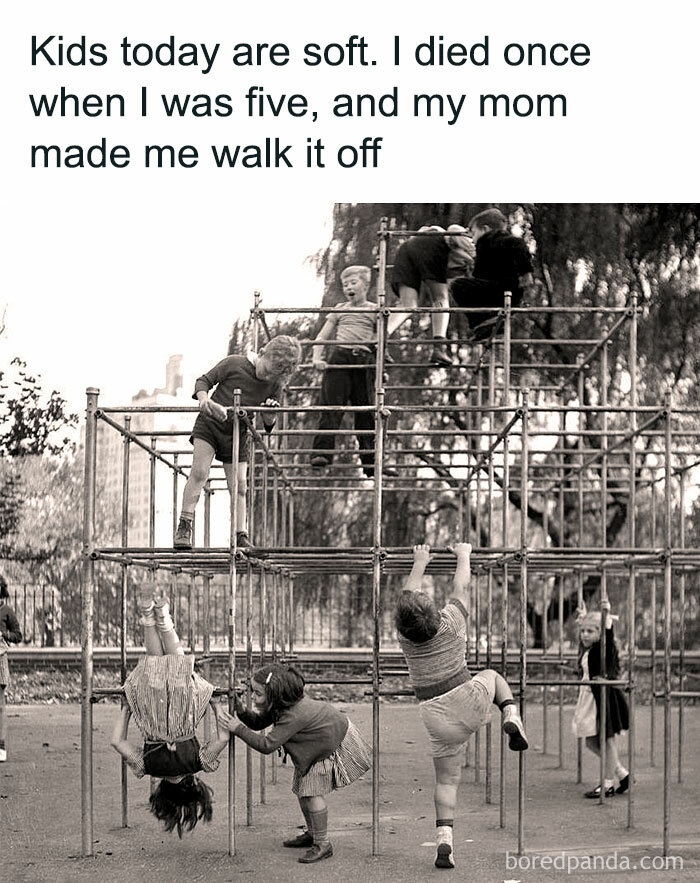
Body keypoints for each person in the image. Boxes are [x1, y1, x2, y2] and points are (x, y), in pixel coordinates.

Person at [395, 543, 528, 870]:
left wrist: (419, 562)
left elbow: (407, 597)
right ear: (435, 612)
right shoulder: (452, 622)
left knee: (446, 782)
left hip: (435, 715)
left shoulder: (405, 639)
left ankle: (445, 839)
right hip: (468, 699)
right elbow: (461, 586)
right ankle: (510, 713)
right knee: (493, 676)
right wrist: (464, 555)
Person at [218, 662, 371, 864]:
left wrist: (238, 728)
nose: (252, 697)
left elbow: (266, 745)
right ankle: (313, 834)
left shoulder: (293, 715)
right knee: (303, 792)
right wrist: (240, 708)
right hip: (319, 743)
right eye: (251, 692)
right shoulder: (282, 705)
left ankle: (323, 844)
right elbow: (257, 723)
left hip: (328, 745)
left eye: (257, 693)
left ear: (275, 695)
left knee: (312, 793)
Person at [110, 584, 230, 837]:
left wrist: (216, 705)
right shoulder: (146, 767)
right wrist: (127, 709)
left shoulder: (200, 762)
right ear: (161, 792)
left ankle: (163, 617)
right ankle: (148, 614)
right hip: (152, 706)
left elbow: (223, 737)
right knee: (154, 660)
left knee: (175, 660)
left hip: (181, 705)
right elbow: (116, 742)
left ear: (194, 785)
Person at [174, 335, 301, 550]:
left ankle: (240, 534)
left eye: (272, 375)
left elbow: (269, 425)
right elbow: (203, 381)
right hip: (210, 424)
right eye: (266, 369)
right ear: (261, 353)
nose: (266, 376)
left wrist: (269, 414)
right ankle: (185, 525)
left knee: (240, 485)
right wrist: (204, 400)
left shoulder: (274, 384)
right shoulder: (235, 363)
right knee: (199, 473)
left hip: (238, 432)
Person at [309, 265, 397, 480]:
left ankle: (371, 463)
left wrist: (381, 367)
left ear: (365, 285)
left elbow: (381, 341)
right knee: (331, 407)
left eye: (353, 283)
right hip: (340, 357)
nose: (349, 287)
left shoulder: (375, 309)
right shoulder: (340, 308)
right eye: (345, 284)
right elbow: (323, 335)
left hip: (364, 361)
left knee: (367, 412)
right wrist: (316, 357)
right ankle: (321, 454)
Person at [388, 225, 473, 365]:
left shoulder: (431, 242)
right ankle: (439, 348)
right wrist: (472, 257)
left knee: (407, 305)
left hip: (406, 249)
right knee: (440, 299)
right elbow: (453, 230)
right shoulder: (467, 239)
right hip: (430, 244)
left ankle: (378, 340)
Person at [573, 598, 630, 798]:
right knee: (591, 741)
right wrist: (583, 619)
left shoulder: (603, 648)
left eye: (591, 631)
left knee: (607, 740)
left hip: (603, 698)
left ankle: (608, 784)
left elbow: (608, 638)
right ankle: (622, 773)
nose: (585, 635)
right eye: (583, 631)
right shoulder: (587, 650)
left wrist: (606, 617)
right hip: (589, 697)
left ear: (600, 633)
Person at [450, 208, 534, 341]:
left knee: (457, 285)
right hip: (507, 295)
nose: (471, 238)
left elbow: (518, 244)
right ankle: (484, 325)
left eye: (473, 233)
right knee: (466, 285)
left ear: (484, 229)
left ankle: (481, 322)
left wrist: (526, 272)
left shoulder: (494, 239)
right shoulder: (484, 248)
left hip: (502, 290)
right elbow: (479, 277)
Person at [0, 575, 23, 763]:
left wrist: (4, 634)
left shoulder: (6, 611)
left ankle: (0, 746)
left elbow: (18, 635)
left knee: (0, 707)